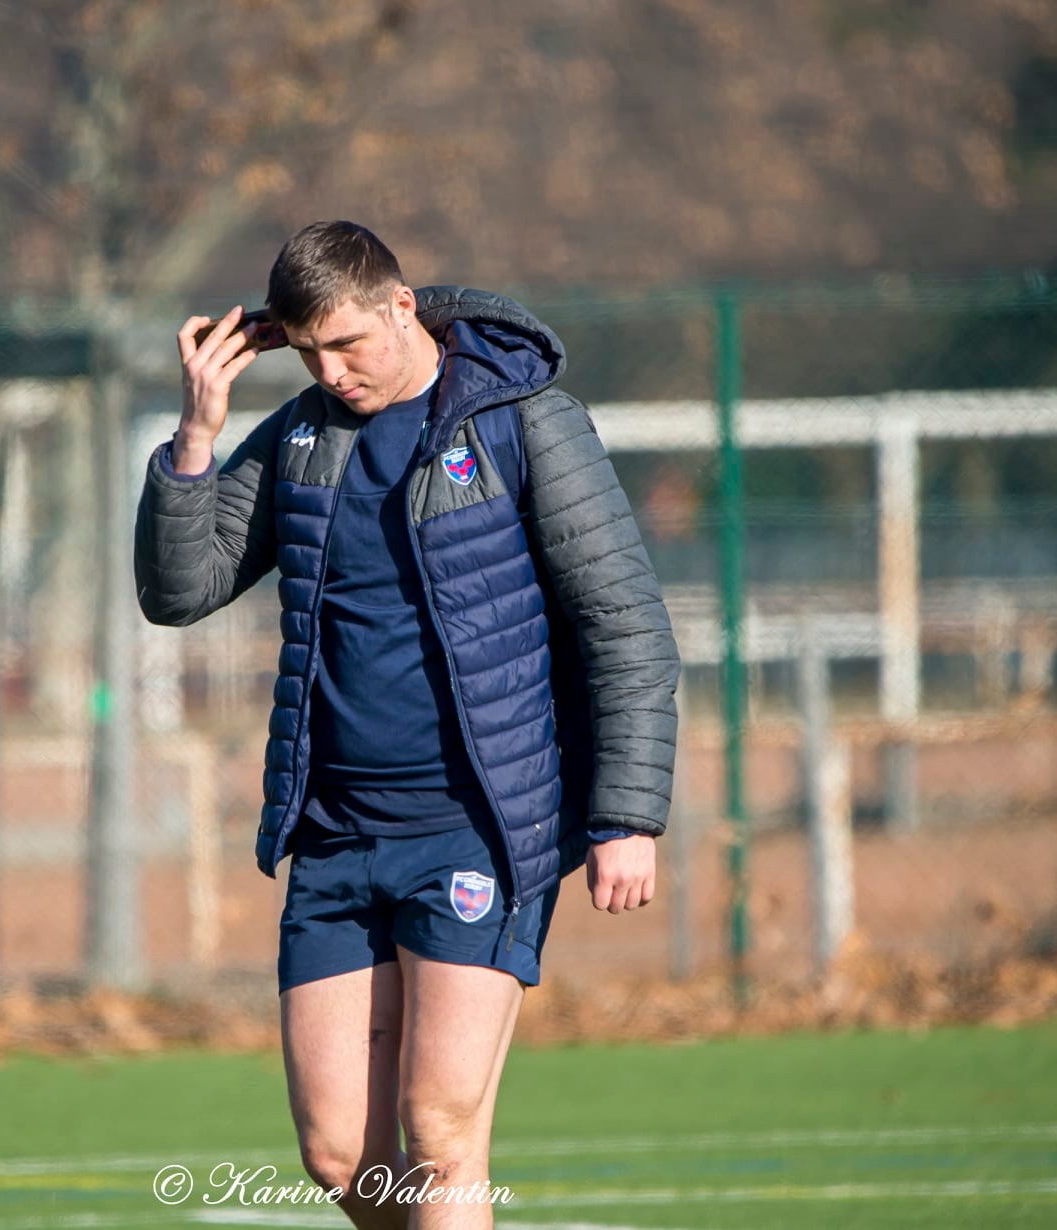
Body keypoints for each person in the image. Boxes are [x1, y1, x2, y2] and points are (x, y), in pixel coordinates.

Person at [134, 221, 680, 1229]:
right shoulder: (302, 437)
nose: (332, 373)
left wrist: (627, 817)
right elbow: (181, 591)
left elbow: (625, 625)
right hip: (335, 838)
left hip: (476, 828)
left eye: (349, 346)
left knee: (437, 1131)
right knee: (341, 1154)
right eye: (308, 353)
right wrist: (198, 435)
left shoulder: (524, 423)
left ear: (401, 306)